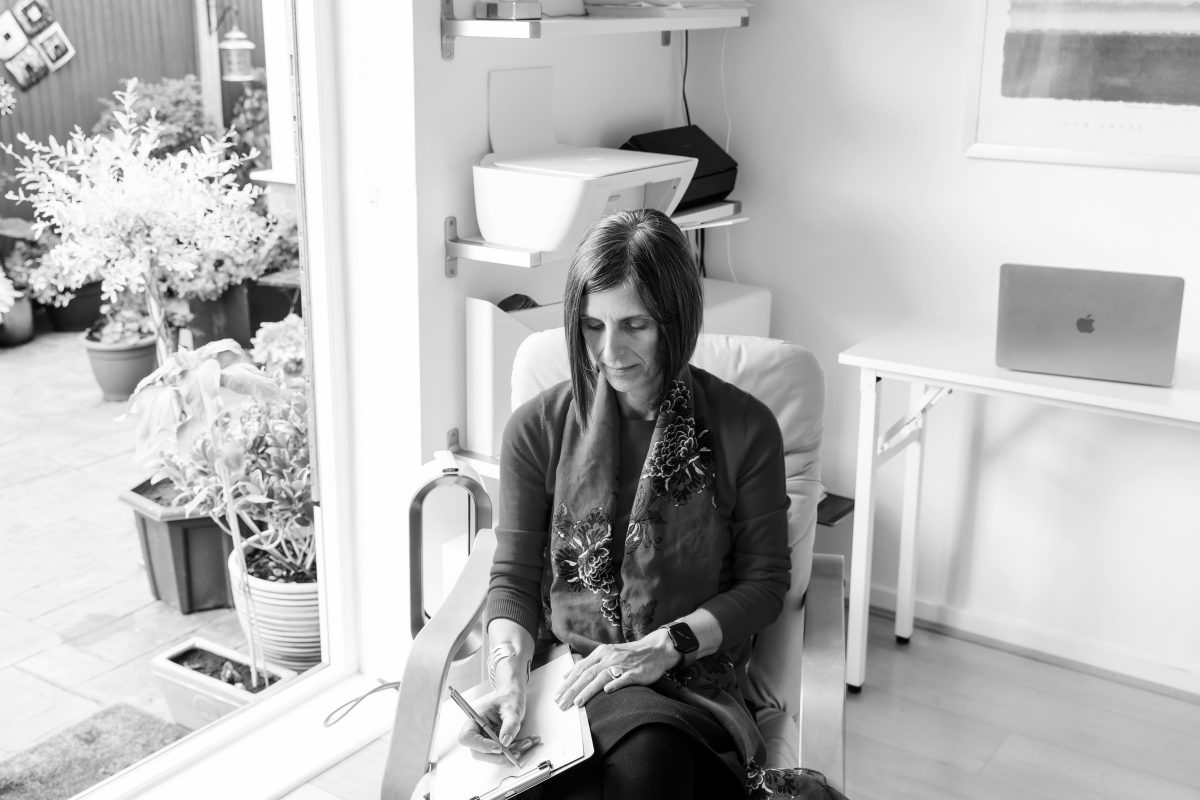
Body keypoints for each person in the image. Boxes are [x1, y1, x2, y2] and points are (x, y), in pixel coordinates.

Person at [460, 208, 791, 800]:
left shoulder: (746, 427)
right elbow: (513, 578)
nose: (609, 351)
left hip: (683, 681)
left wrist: (665, 645)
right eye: (592, 325)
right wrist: (507, 675)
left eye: (634, 325)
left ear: (676, 320)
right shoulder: (536, 429)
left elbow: (765, 583)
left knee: (650, 761)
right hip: (567, 676)